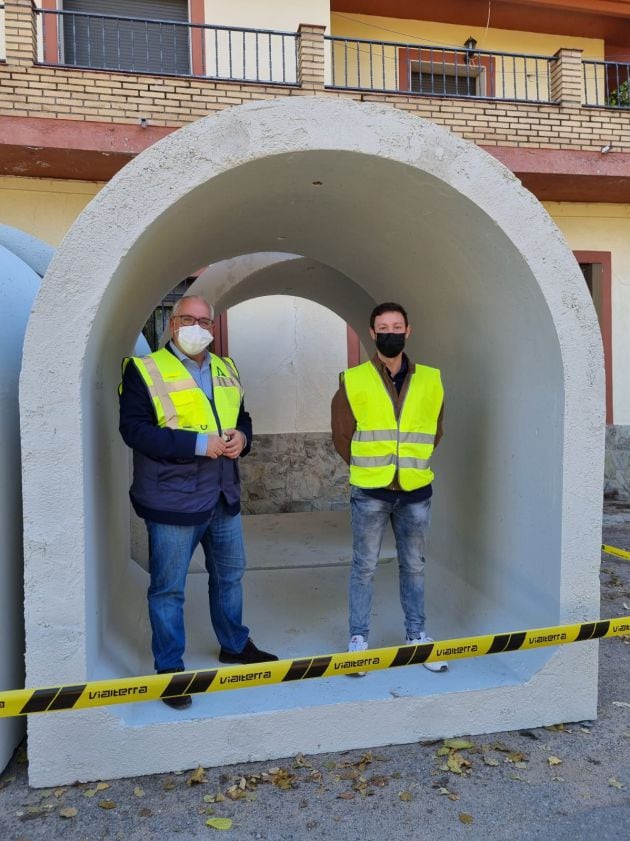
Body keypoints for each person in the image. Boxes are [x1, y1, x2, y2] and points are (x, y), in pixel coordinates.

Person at [119, 294, 277, 709]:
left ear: (212, 327)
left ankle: (234, 644)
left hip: (223, 494)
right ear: (173, 324)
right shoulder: (144, 370)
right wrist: (196, 444)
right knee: (168, 589)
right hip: (173, 500)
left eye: (205, 322)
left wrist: (242, 438)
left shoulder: (225, 368)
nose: (198, 328)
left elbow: (241, 418)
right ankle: (170, 669)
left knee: (229, 577)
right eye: (188, 319)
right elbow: (134, 431)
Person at [331, 302, 446, 675]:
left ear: (408, 331)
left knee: (414, 566)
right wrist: (372, 468)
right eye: (384, 327)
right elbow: (342, 435)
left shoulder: (431, 379)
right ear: (373, 333)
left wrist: (409, 464)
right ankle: (358, 641)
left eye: (398, 326)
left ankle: (416, 635)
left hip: (414, 490)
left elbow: (435, 430)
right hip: (371, 491)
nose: (391, 332)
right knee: (363, 566)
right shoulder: (354, 379)